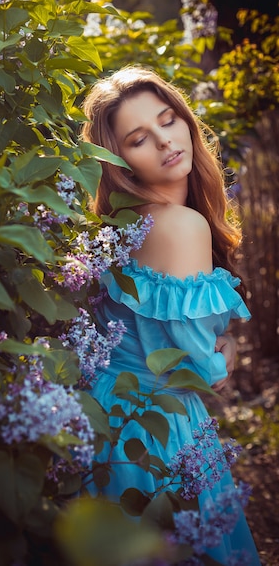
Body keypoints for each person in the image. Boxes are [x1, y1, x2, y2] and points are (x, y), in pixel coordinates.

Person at [80, 65, 261, 564]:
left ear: (186, 119)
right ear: (120, 162)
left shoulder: (126, 222)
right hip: (154, 426)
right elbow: (201, 373)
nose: (165, 142)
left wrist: (215, 349)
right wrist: (223, 354)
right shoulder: (180, 226)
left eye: (168, 120)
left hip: (105, 415)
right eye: (140, 138)